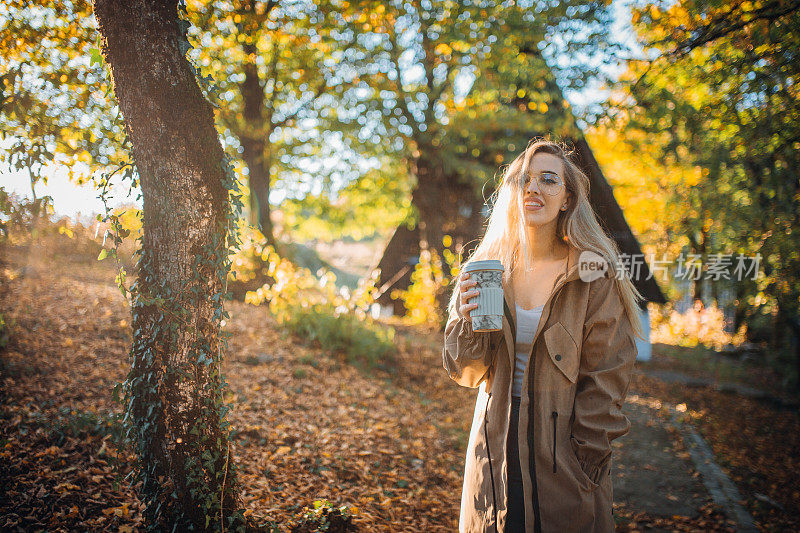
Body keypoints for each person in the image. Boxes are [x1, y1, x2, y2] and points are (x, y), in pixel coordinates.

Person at [442, 138, 644, 532]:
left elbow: (607, 375)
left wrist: (585, 460)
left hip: (563, 454)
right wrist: (466, 321)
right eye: (523, 180)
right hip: (493, 443)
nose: (533, 188)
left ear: (567, 199)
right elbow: (465, 372)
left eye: (548, 180)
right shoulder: (487, 269)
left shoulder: (591, 274)